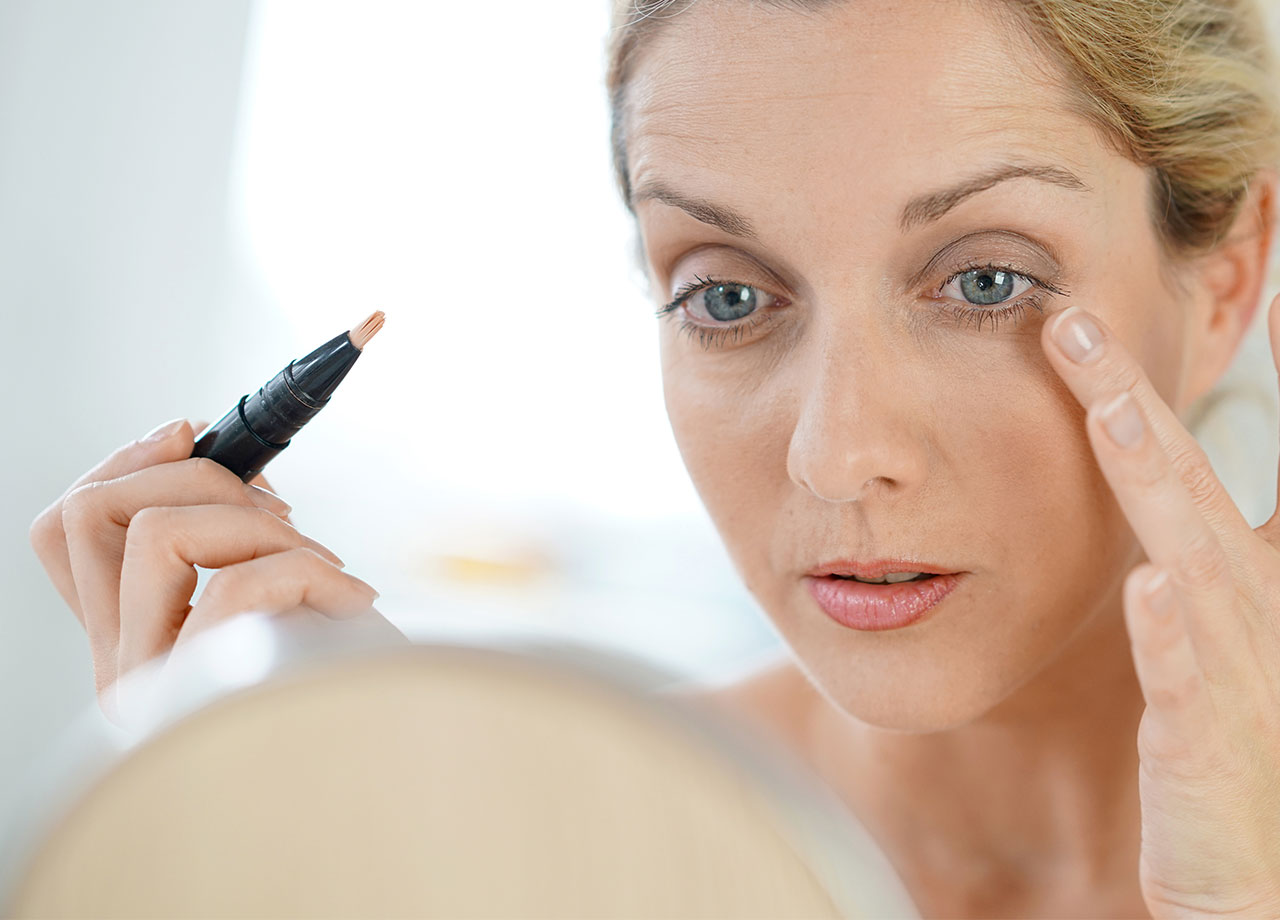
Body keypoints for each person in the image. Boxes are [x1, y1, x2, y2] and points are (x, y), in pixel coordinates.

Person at [28, 0, 1280, 916]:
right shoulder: (555, 857)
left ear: (1224, 283)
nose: (835, 454)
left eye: (987, 280)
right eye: (728, 298)